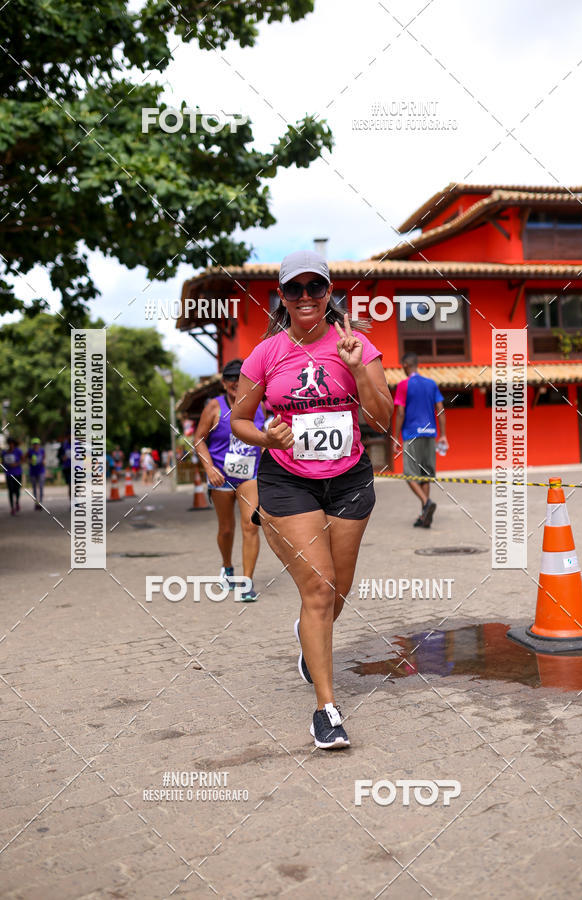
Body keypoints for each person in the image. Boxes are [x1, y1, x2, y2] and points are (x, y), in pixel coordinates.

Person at [230, 249, 392, 749]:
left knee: (337, 591)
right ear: (280, 296)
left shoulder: (357, 345)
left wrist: (357, 368)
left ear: (328, 294)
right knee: (319, 589)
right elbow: (239, 420)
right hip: (287, 480)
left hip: (349, 480)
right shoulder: (266, 354)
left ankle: (309, 640)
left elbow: (384, 416)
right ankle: (327, 708)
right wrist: (267, 439)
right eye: (294, 289)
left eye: (314, 288)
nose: (305, 297)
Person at [193, 359, 265, 603]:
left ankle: (246, 583)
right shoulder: (215, 407)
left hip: (250, 475)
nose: (236, 382)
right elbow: (198, 439)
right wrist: (209, 468)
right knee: (226, 529)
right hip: (221, 475)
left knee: (251, 525)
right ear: (224, 383)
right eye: (231, 378)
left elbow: (265, 436)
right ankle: (227, 566)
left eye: (241, 377)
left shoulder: (259, 405)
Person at [393, 351, 448, 528]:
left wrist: (395, 437)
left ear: (406, 366)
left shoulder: (403, 385)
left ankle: (426, 502)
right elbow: (440, 409)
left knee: (409, 475)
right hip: (430, 435)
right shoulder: (431, 384)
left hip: (412, 434)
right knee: (426, 476)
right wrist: (443, 434)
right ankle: (424, 516)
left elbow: (400, 412)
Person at [2, 437, 23, 515]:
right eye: (9, 443)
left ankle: (17, 502)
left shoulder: (18, 451)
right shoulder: (4, 452)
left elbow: (23, 459)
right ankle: (12, 508)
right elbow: (3, 462)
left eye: (12, 443)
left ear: (14, 444)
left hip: (17, 473)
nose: (10, 445)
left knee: (17, 490)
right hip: (8, 474)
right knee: (10, 490)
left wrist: (16, 464)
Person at [27, 437, 45, 509]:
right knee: (34, 488)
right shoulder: (30, 451)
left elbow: (44, 458)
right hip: (33, 472)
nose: (36, 445)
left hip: (41, 471)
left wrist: (44, 462)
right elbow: (26, 459)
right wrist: (29, 461)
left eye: (37, 444)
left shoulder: (42, 451)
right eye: (34, 444)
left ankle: (40, 502)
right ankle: (36, 503)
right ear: (32, 445)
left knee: (40, 487)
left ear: (39, 444)